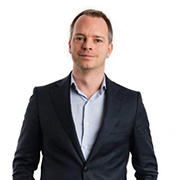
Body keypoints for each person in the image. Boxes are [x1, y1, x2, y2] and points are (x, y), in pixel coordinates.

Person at [13, 9, 158, 180]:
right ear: (70, 45)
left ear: (109, 49)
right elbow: (23, 165)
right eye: (80, 38)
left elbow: (147, 170)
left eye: (97, 40)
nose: (87, 45)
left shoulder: (130, 102)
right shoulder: (42, 98)